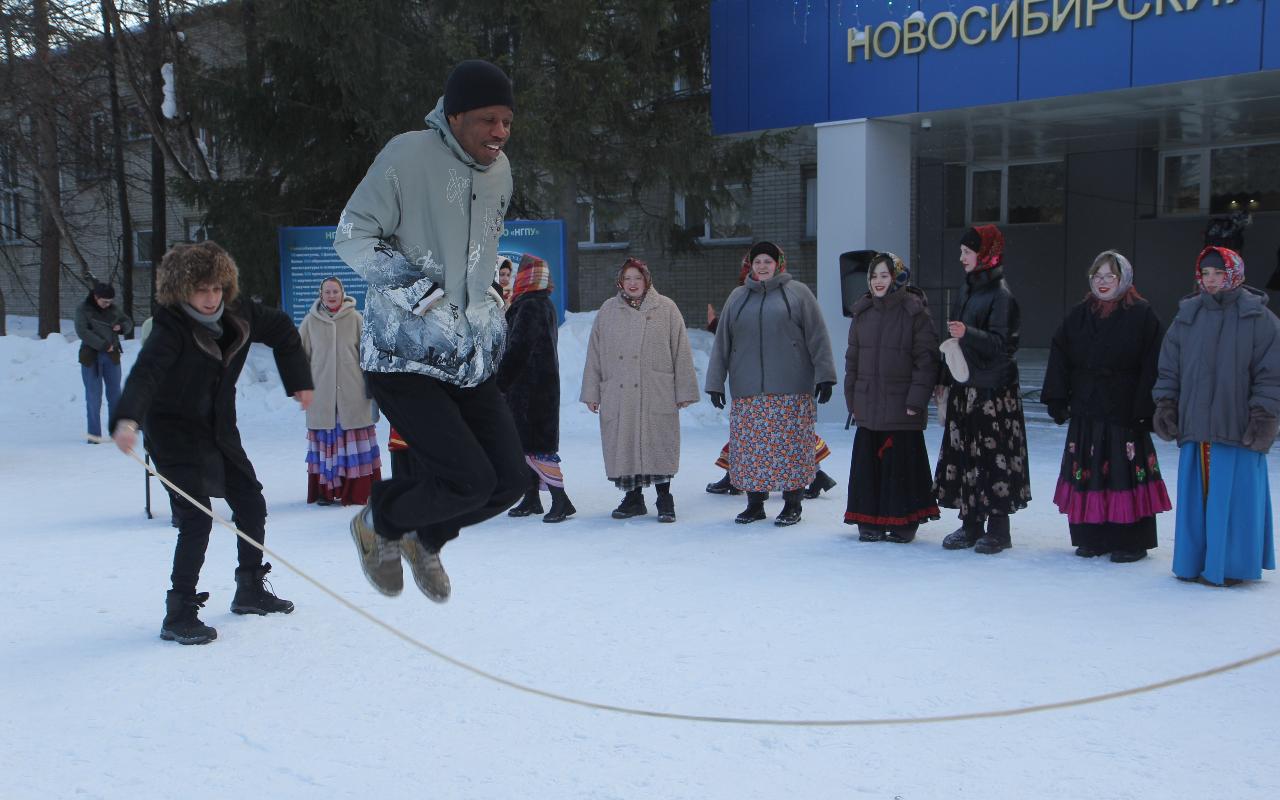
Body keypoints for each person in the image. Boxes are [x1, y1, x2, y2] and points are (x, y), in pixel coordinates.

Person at [334, 59, 526, 602]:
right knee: (467, 477)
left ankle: (425, 538)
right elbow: (352, 235)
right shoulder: (406, 154)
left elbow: (479, 251)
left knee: (508, 481)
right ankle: (380, 522)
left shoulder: (500, 171)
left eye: (507, 121)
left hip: (464, 356)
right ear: (455, 115)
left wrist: (488, 293)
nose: (499, 133)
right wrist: (418, 292)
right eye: (488, 120)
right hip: (402, 353)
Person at [110, 242, 313, 645]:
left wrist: (299, 381)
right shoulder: (170, 329)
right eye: (201, 290)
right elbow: (145, 375)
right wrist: (127, 419)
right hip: (173, 435)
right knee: (197, 517)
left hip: (219, 429)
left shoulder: (242, 313)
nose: (211, 298)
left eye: (217, 288)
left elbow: (286, 332)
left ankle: (250, 588)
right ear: (182, 290)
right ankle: (179, 610)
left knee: (251, 503)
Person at [1153, 245, 1279, 587]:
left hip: (1238, 428)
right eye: (1205, 274)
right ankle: (1195, 562)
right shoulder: (1187, 316)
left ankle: (1234, 565)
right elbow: (1169, 368)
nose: (1210, 280)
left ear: (1234, 274)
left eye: (1218, 273)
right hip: (1197, 426)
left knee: (1236, 499)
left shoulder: (1260, 319)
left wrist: (1264, 415)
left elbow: (1271, 374)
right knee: (1199, 498)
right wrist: (1166, 404)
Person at [1041, 251, 1171, 563]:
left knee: (1123, 473)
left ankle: (1130, 540)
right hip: (1087, 407)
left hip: (1124, 409)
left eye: (1109, 276)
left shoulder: (1142, 314)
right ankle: (1092, 536)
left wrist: (1145, 407)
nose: (1102, 282)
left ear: (1123, 279)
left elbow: (1152, 363)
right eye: (1097, 276)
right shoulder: (1080, 314)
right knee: (1089, 472)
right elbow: (1060, 352)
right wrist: (1058, 398)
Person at [704, 241, 836, 526]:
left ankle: (792, 503)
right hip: (748, 388)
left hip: (791, 386)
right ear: (750, 265)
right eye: (757, 261)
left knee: (791, 448)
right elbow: (723, 343)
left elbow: (818, 336)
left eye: (768, 261)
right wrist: (716, 382)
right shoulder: (737, 298)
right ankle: (755, 503)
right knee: (752, 450)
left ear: (779, 264)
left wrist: (825, 376)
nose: (762, 266)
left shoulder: (798, 293)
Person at [933, 225, 1031, 553]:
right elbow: (958, 341)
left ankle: (999, 529)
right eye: (961, 252)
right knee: (966, 459)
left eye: (967, 252)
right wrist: (945, 378)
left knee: (994, 460)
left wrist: (968, 333)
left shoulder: (1001, 295)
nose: (961, 257)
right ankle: (970, 524)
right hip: (966, 388)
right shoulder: (967, 289)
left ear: (985, 253)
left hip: (993, 394)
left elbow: (1005, 346)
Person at [580, 257, 699, 522]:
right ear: (620, 282)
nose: (633, 283)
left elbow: (681, 351)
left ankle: (664, 498)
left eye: (638, 278)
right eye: (627, 278)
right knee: (625, 443)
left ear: (647, 279)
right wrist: (592, 392)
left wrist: (684, 391)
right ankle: (633, 498)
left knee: (658, 443)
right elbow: (594, 353)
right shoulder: (608, 310)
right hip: (619, 391)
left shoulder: (666, 308)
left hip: (656, 390)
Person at [843, 252, 940, 543]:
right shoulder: (863, 313)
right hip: (869, 405)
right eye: (873, 276)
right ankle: (868, 519)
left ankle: (903, 521)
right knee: (869, 467)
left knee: (900, 466)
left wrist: (916, 400)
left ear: (897, 277)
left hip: (901, 407)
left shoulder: (915, 312)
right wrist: (852, 400)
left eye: (884, 276)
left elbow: (927, 361)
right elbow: (853, 361)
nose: (878, 282)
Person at [498, 254, 576, 523]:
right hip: (535, 386)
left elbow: (519, 348)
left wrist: (501, 382)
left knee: (538, 446)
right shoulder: (539, 303)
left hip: (529, 389)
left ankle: (561, 500)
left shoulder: (530, 305)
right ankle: (531, 498)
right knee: (526, 445)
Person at [298, 276, 382, 506]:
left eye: (335, 291)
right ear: (321, 294)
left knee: (352, 440)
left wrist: (373, 386)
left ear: (343, 293)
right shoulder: (310, 322)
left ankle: (357, 490)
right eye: (327, 292)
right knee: (328, 441)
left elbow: (369, 356)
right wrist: (302, 385)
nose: (332, 295)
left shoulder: (356, 319)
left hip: (352, 394)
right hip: (322, 395)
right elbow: (299, 358)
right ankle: (326, 491)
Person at [75, 281, 133, 443]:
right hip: (91, 357)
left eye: (110, 301)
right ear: (96, 297)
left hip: (112, 356)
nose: (108, 304)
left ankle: (115, 431)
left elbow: (128, 322)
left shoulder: (114, 309)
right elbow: (82, 332)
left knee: (115, 394)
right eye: (104, 301)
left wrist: (121, 327)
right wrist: (103, 345)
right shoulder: (83, 309)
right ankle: (94, 435)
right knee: (93, 396)